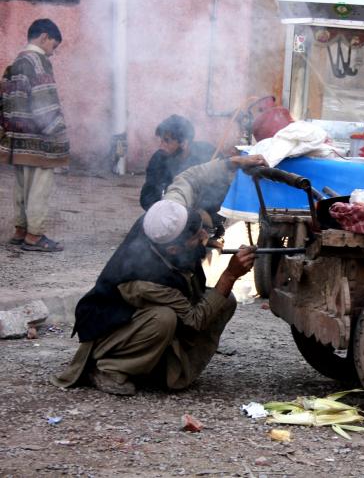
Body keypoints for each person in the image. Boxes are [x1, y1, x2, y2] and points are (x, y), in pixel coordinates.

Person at [52, 152, 267, 396]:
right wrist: (229, 275)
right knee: (163, 318)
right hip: (112, 329)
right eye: (197, 237)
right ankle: (109, 367)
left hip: (139, 320)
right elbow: (195, 320)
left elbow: (189, 178)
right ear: (173, 249)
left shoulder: (170, 213)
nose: (204, 237)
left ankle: (165, 367)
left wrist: (232, 163)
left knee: (224, 301)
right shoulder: (147, 281)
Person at [1, 19, 69, 252]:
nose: (53, 52)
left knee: (21, 187)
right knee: (40, 187)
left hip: (18, 140)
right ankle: (34, 236)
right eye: (54, 45)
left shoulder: (16, 62)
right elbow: (44, 102)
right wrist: (59, 132)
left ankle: (20, 231)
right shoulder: (38, 61)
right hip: (39, 141)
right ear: (43, 37)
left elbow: (5, 100)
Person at [140, 114, 216, 211]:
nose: (161, 146)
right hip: (168, 210)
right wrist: (160, 207)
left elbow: (218, 192)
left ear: (184, 143)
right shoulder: (158, 159)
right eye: (161, 140)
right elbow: (147, 196)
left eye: (167, 141)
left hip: (197, 214)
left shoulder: (207, 154)